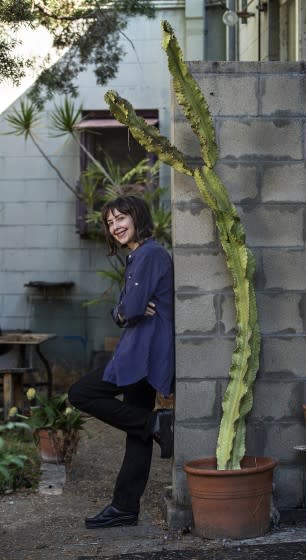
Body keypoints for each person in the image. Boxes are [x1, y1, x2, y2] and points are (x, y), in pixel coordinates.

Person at [68, 195, 174, 529]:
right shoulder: (141, 256)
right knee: (137, 431)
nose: (115, 227)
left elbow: (127, 310)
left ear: (137, 216)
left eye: (120, 218)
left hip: (142, 354)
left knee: (81, 394)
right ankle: (125, 507)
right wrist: (125, 310)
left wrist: (124, 310)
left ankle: (155, 425)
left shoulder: (149, 254)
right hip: (139, 350)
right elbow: (126, 310)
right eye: (109, 222)